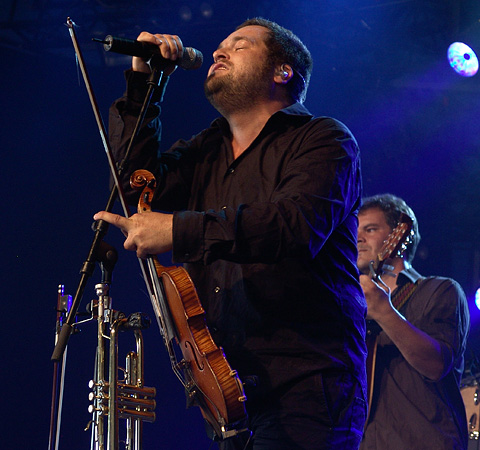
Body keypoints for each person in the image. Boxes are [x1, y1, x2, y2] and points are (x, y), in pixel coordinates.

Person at [94, 18, 367, 450]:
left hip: (305, 388)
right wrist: (144, 83)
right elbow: (135, 186)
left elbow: (292, 226)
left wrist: (177, 229)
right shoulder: (206, 149)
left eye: (239, 45)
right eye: (220, 46)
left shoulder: (324, 140)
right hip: (225, 388)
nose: (219, 52)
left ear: (282, 72)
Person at [357, 193, 470, 450]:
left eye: (370, 229)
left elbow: (436, 365)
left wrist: (384, 312)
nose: (358, 238)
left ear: (399, 237)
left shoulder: (439, 290)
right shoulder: (349, 308)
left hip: (422, 441)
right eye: (356, 230)